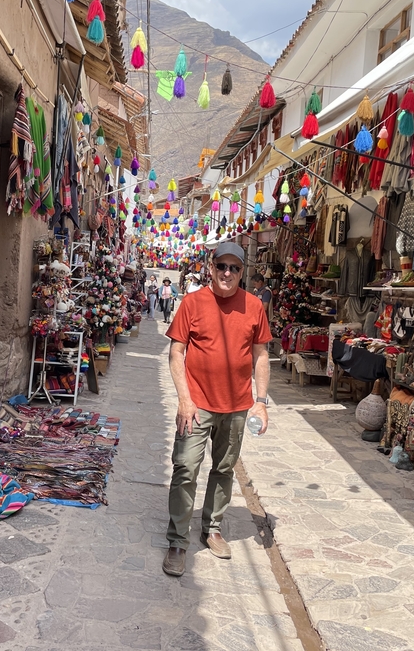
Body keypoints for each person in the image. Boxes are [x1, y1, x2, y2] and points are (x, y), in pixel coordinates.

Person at [162, 242, 272, 577]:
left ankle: (212, 528)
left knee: (224, 470)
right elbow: (176, 353)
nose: (227, 273)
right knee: (185, 469)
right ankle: (178, 540)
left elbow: (261, 356)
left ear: (242, 272)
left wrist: (261, 402)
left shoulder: (254, 307)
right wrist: (184, 399)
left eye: (234, 268)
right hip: (196, 405)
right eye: (221, 266)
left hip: (237, 407)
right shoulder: (192, 303)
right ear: (211, 267)